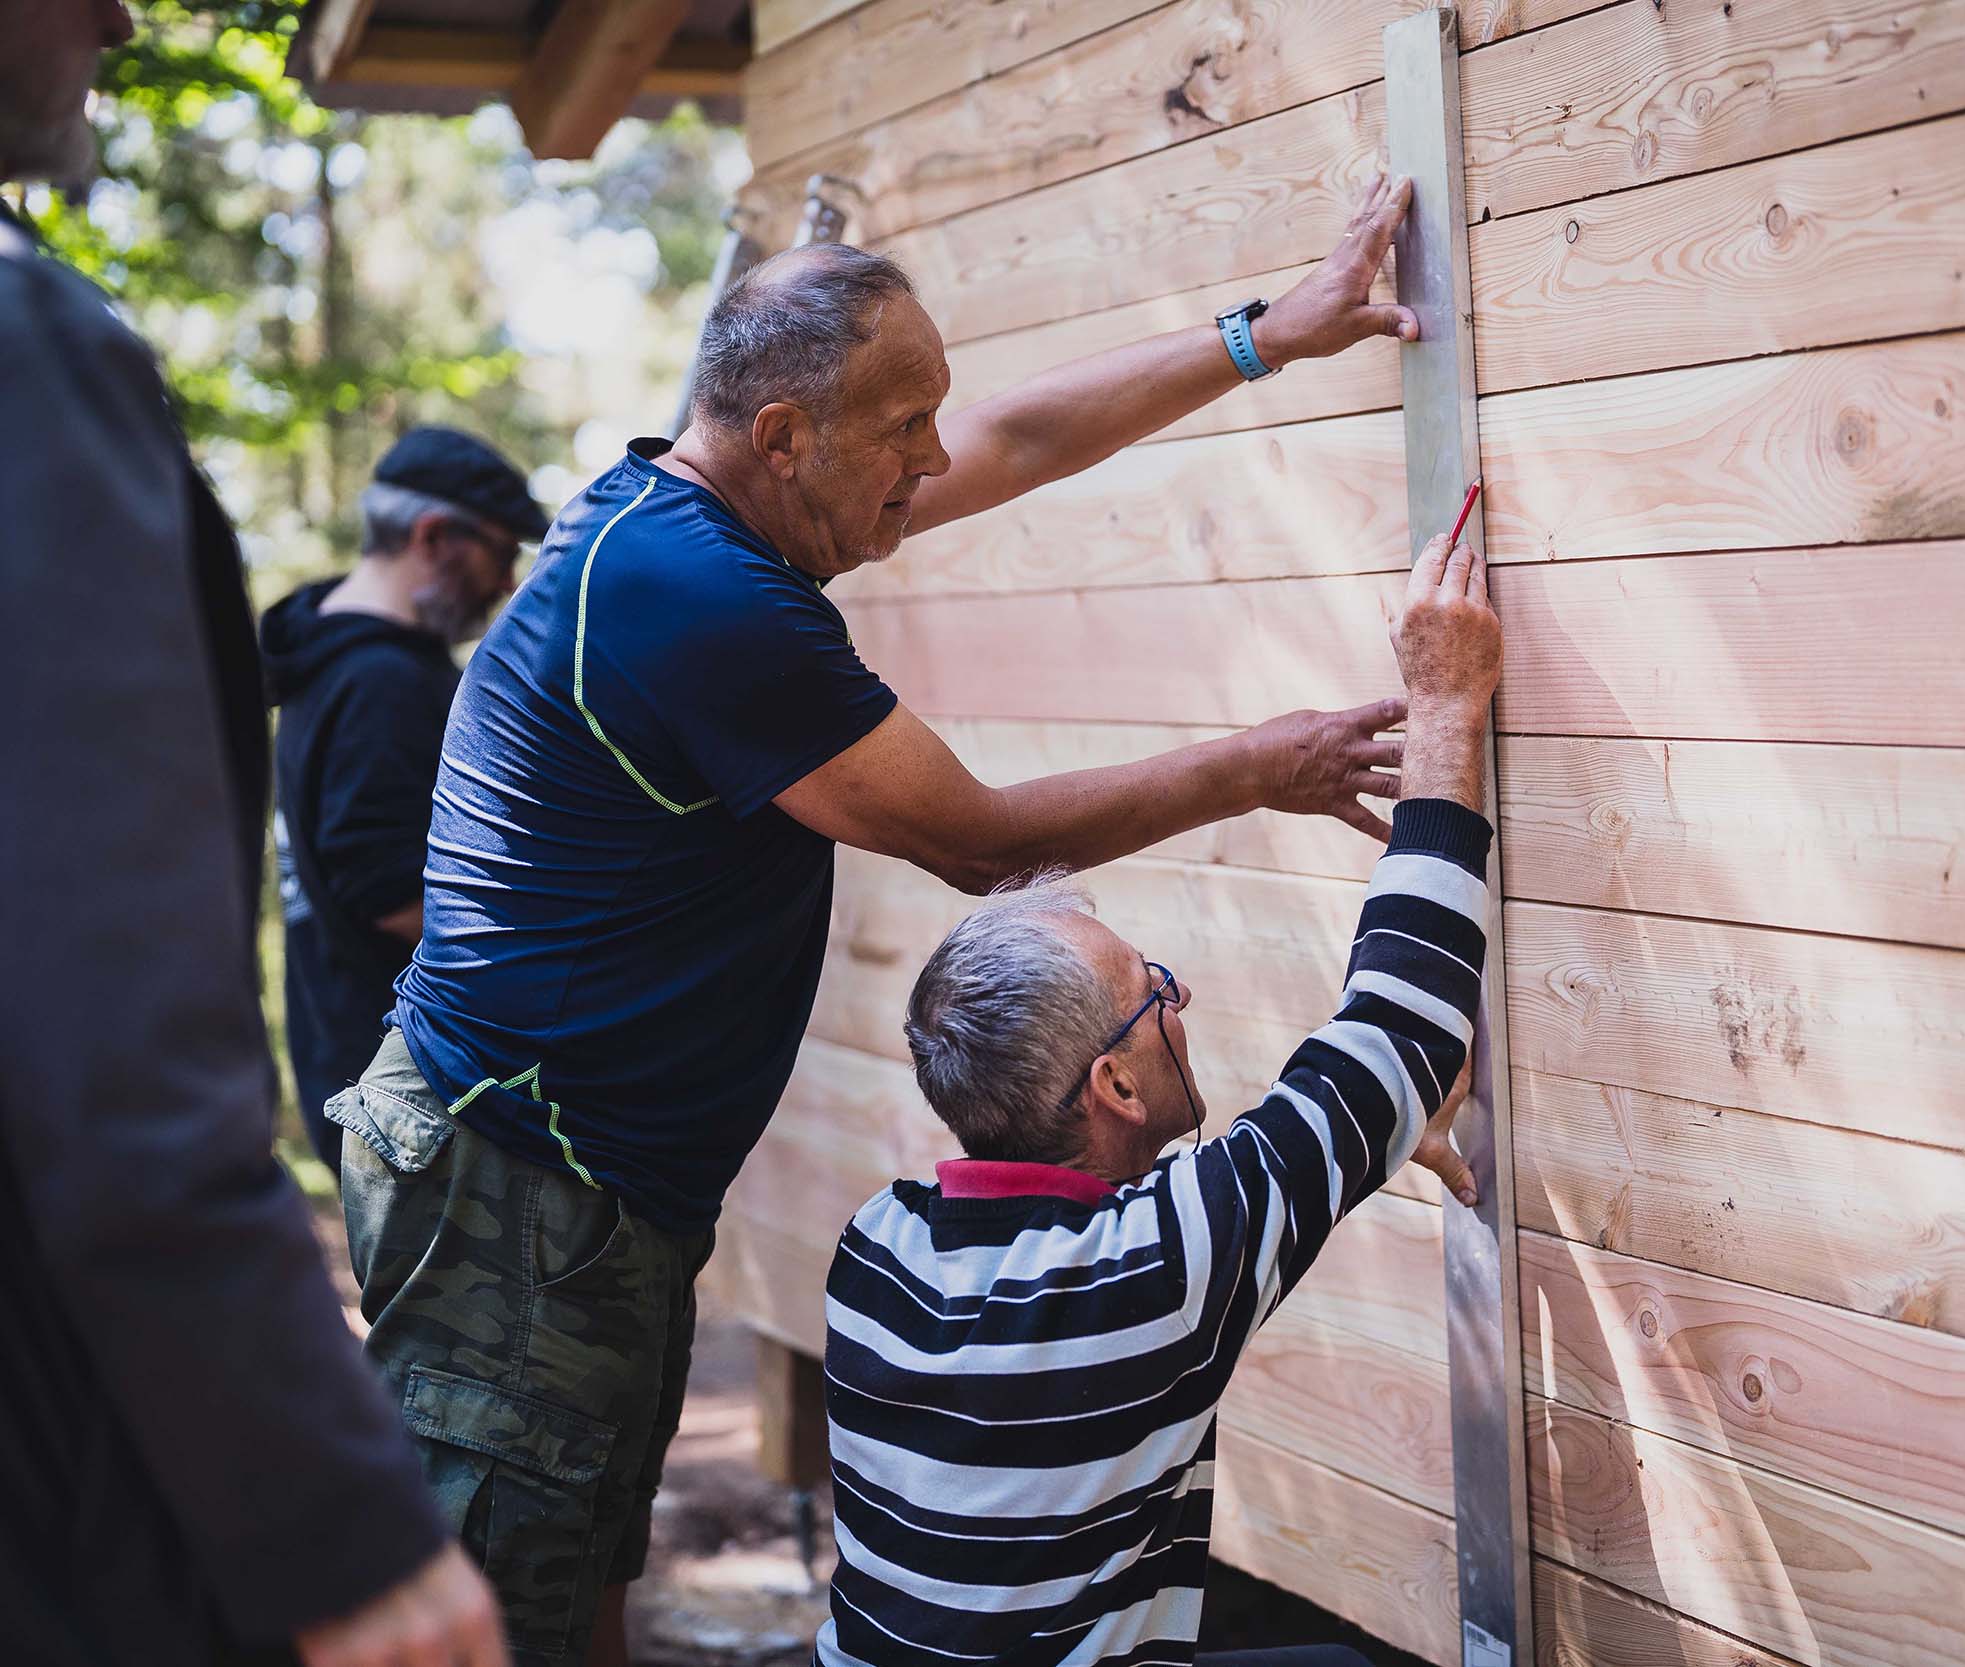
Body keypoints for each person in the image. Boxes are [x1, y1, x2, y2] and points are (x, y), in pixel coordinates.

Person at [334, 184, 1428, 1666]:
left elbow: (1014, 437)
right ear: (786, 436)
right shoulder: (701, 600)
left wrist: (1263, 337)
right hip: (520, 1178)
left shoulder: (690, 508)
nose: (935, 458)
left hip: (577, 1175)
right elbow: (980, 841)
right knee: (504, 1604)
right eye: (905, 428)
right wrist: (1261, 765)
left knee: (580, 1572)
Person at [0, 2, 505, 1663]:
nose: (115, 19)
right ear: (439, 542)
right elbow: (114, 1036)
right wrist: (336, 1527)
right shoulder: (25, 347)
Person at [815, 535, 1502, 1666]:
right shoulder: (1155, 1266)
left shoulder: (878, 1252)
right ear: (1115, 1084)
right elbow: (1405, 1019)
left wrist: (1376, 1122)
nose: (1181, 999)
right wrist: (1443, 705)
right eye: (1154, 993)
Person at [265, 428, 548, 1170]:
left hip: (360, 1072)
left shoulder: (329, 661)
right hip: (409, 1103)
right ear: (433, 535)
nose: (506, 582)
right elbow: (390, 894)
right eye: (500, 551)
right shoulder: (380, 683)